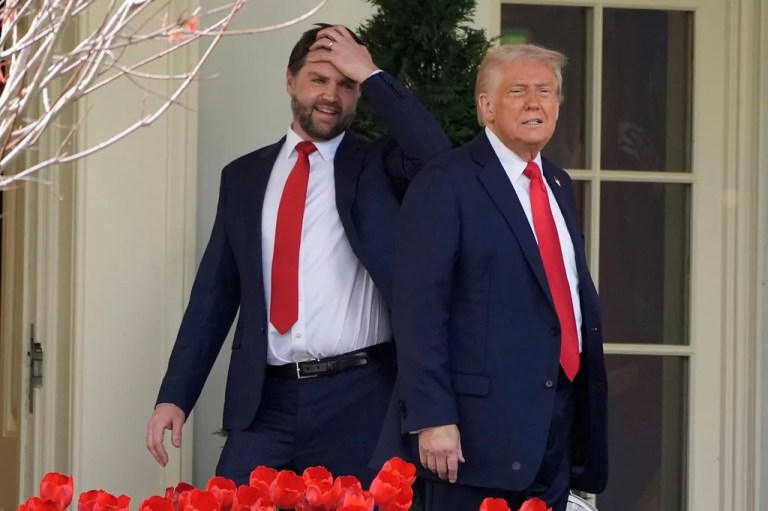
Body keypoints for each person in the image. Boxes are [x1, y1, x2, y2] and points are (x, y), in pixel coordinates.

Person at [145, 23, 451, 486]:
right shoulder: (243, 177)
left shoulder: (379, 167)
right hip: (265, 400)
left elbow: (435, 156)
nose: (331, 95)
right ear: (289, 80)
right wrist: (175, 396)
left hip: (361, 400)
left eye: (346, 85)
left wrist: (369, 72)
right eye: (318, 79)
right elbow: (213, 295)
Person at [377, 44, 608, 511]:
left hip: (554, 426)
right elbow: (420, 310)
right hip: (473, 440)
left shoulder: (558, 183)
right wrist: (432, 418)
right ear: (486, 106)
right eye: (518, 91)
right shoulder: (447, 181)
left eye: (546, 91)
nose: (534, 103)